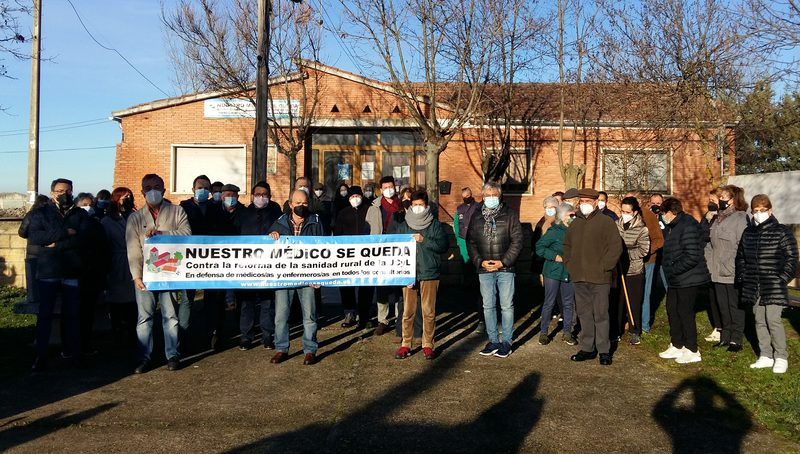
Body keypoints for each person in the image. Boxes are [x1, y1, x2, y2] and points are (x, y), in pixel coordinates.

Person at [126, 173, 192, 374]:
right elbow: (133, 248)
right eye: (148, 187)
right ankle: (144, 357)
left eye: (156, 186)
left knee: (170, 316)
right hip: (146, 275)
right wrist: (136, 276)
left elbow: (187, 234)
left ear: (164, 190)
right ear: (142, 192)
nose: (152, 190)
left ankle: (172, 355)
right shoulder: (135, 217)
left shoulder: (177, 211)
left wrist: (163, 234)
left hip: (169, 273)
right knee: (144, 318)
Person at [26, 178, 89, 371]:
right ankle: (41, 355)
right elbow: (35, 236)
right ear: (53, 192)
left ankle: (74, 353)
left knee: (73, 315)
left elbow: (84, 238)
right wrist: (65, 232)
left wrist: (57, 244)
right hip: (48, 271)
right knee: (45, 314)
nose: (64, 194)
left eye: (68, 191)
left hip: (71, 270)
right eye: (60, 191)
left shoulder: (79, 214)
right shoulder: (41, 213)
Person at [736, 194, 798, 374]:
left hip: (773, 285)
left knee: (773, 320)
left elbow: (792, 258)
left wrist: (781, 278)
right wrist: (743, 275)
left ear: (770, 210)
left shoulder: (782, 231)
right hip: (754, 284)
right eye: (756, 211)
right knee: (759, 320)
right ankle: (765, 355)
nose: (759, 213)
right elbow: (740, 257)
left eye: (763, 210)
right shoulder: (748, 232)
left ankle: (781, 356)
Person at [563, 188, 622, 366]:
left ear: (596, 202)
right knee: (584, 313)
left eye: (588, 201)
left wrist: (605, 267)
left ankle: (604, 350)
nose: (585, 204)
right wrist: (569, 264)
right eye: (582, 201)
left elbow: (615, 248)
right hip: (579, 276)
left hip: (600, 278)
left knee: (601, 314)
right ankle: (587, 348)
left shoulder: (606, 222)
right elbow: (567, 246)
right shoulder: (575, 223)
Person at [467, 182, 523, 359]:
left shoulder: (510, 215)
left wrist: (503, 262)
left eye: (494, 195)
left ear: (500, 196)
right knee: (488, 306)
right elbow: (471, 242)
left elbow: (517, 241)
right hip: (484, 269)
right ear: (482, 196)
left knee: (506, 306)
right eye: (487, 195)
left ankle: (506, 341)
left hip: (506, 268)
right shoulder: (476, 216)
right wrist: (480, 262)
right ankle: (493, 340)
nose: (490, 198)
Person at [268, 189, 324, 365]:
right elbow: (268, 250)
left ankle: (310, 349)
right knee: (281, 315)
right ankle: (281, 348)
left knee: (309, 315)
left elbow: (324, 250)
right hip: (284, 277)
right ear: (290, 204)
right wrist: (271, 237)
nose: (302, 206)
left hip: (308, 276)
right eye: (298, 203)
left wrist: (319, 275)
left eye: (305, 203)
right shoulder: (279, 222)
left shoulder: (316, 222)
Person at [393, 190, 448, 360]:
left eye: (420, 205)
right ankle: (405, 344)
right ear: (410, 206)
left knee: (428, 311)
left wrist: (424, 240)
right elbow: (394, 247)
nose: (417, 208)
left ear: (426, 206)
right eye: (415, 205)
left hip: (429, 272)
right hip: (408, 273)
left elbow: (443, 246)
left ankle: (427, 344)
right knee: (408, 311)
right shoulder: (403, 225)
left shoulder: (435, 225)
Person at [657, 197, 710, 365]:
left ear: (672, 212)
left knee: (685, 312)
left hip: (688, 278)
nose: (663, 217)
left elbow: (692, 255)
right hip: (676, 279)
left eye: (664, 213)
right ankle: (677, 344)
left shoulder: (687, 225)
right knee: (672, 309)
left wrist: (673, 268)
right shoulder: (673, 226)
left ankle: (692, 349)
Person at [179, 175, 224, 351]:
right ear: (193, 189)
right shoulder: (183, 207)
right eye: (200, 187)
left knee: (211, 300)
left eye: (206, 188)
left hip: (211, 261)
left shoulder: (215, 208)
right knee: (187, 300)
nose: (203, 191)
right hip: (189, 260)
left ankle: (211, 335)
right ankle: (182, 336)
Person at [237, 181, 282, 351]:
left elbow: (283, 232)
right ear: (252, 196)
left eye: (264, 194)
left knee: (267, 303)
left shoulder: (276, 213)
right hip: (247, 266)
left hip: (269, 266)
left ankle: (267, 336)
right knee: (246, 303)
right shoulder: (244, 214)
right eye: (258, 194)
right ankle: (246, 336)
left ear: (269, 196)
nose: (261, 197)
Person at [706, 185, 749, 353]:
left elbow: (742, 246)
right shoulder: (718, 218)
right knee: (722, 306)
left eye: (725, 197)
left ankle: (736, 339)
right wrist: (709, 263)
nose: (721, 200)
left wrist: (733, 264)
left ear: (734, 199)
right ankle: (725, 336)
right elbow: (710, 244)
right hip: (716, 269)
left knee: (734, 307)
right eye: (721, 197)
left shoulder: (740, 218)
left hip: (731, 270)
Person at [334, 186, 382, 330]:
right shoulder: (343, 213)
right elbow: (337, 234)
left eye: (357, 196)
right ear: (348, 199)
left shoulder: (369, 210)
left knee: (366, 287)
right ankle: (349, 313)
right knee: (346, 286)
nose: (355, 199)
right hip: (347, 257)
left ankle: (364, 315)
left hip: (366, 256)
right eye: (352, 196)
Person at [535, 203, 577, 346]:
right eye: (571, 215)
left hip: (569, 272)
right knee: (549, 302)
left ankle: (567, 332)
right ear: (563, 216)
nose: (574, 217)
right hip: (552, 272)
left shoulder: (576, 231)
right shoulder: (554, 231)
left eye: (574, 214)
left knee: (568, 303)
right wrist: (554, 256)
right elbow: (539, 247)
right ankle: (544, 332)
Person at [102, 187, 138, 348]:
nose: (127, 199)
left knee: (133, 304)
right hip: (116, 264)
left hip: (134, 262)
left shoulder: (136, 216)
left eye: (129, 196)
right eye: (124, 197)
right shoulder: (107, 221)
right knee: (117, 304)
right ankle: (117, 334)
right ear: (116, 200)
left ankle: (133, 335)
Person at [75, 192, 109, 356]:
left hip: (92, 275)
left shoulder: (97, 224)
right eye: (84, 205)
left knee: (87, 313)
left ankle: (85, 344)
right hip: (74, 274)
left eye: (90, 204)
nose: (88, 208)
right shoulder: (71, 223)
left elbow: (103, 247)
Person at [614, 196, 650, 345]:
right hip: (618, 270)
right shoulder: (616, 225)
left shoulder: (642, 228)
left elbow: (644, 250)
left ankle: (635, 330)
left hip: (634, 271)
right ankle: (616, 330)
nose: (624, 213)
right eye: (622, 211)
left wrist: (626, 254)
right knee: (617, 302)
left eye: (627, 211)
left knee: (634, 302)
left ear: (634, 212)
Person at [627, 191, 663, 334]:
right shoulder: (625, 216)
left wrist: (646, 252)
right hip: (629, 261)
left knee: (645, 293)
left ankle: (644, 324)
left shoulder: (648, 216)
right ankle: (630, 321)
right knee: (631, 293)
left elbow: (659, 240)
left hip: (647, 261)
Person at [372, 176, 403, 331]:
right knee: (382, 285)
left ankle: (399, 318)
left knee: (398, 285)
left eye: (391, 186)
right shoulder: (375, 206)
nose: (388, 190)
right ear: (381, 190)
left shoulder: (402, 205)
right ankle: (382, 320)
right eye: (385, 188)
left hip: (399, 250)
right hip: (380, 250)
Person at [453, 186, 484, 333]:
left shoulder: (478, 207)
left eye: (468, 194)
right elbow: (456, 225)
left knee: (476, 264)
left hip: (476, 241)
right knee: (466, 265)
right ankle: (467, 284)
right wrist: (459, 240)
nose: (466, 196)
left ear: (472, 195)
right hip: (463, 241)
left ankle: (477, 283)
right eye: (464, 195)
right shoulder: (459, 209)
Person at [18, 194, 52, 305]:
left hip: (32, 252)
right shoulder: (51, 215)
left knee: (32, 278)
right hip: (48, 252)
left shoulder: (31, 215)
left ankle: (33, 299)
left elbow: (22, 232)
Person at [701, 188, 722, 342]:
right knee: (712, 296)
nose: (711, 204)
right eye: (710, 201)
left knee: (722, 297)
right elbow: (701, 233)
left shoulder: (725, 218)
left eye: (714, 201)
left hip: (721, 262)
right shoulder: (708, 216)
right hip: (709, 261)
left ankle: (724, 327)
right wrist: (708, 220)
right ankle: (717, 326)